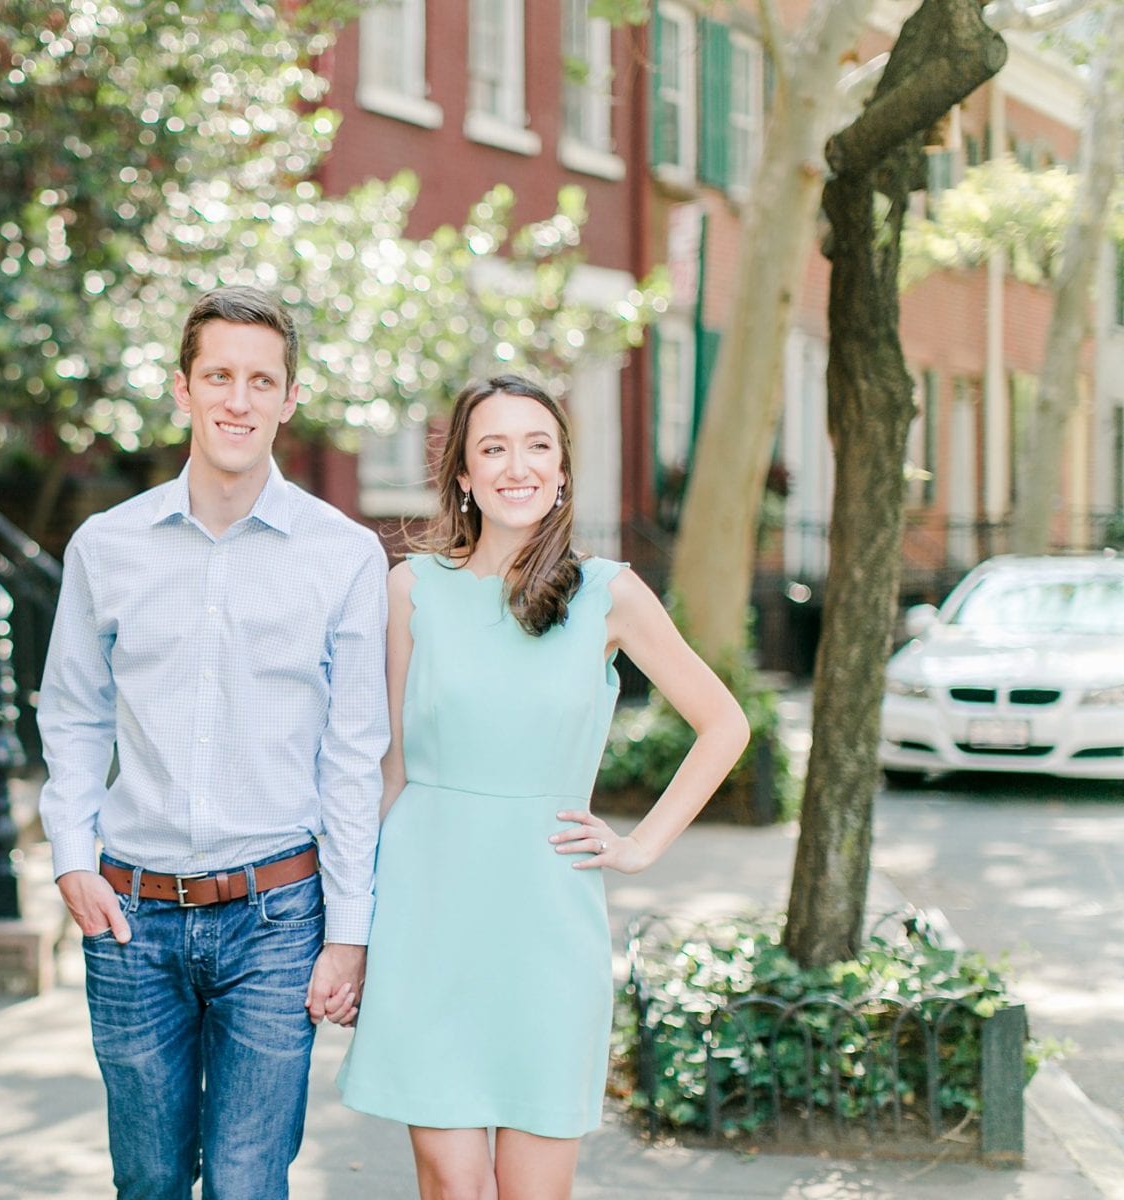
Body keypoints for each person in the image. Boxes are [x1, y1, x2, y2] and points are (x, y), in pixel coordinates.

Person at [336, 373, 750, 1200]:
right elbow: (389, 769)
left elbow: (725, 724)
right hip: (428, 912)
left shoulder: (609, 595)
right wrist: (355, 927)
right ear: (462, 472)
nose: (515, 466)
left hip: (545, 922)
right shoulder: (411, 589)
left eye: (537, 446)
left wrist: (639, 846)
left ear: (562, 472)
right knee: (452, 1185)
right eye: (493, 447)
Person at [37, 285, 389, 1200]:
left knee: (245, 1183)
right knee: (148, 1181)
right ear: (184, 390)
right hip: (130, 914)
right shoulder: (106, 547)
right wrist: (72, 855)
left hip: (278, 916)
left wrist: (349, 933)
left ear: (288, 398)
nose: (239, 399)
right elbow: (72, 713)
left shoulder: (343, 554)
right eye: (220, 376)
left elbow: (353, 757)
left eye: (261, 380)